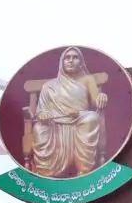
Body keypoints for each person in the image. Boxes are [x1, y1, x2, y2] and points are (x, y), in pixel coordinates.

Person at [31, 46, 108, 178]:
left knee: (91, 117)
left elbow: (96, 101)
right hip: (54, 121)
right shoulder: (48, 86)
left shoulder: (87, 80)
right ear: (62, 62)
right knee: (39, 128)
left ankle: (84, 171)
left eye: (75, 57)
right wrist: (43, 116)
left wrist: (101, 97)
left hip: (79, 118)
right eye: (67, 58)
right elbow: (40, 112)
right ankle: (45, 173)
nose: (71, 60)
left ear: (81, 62)